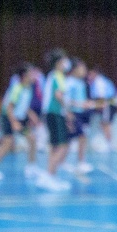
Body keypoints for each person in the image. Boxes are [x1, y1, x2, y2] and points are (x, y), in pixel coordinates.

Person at [0, 61, 42, 183]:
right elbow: (9, 107)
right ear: (25, 76)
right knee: (8, 142)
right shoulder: (17, 89)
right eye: (32, 73)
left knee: (32, 139)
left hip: (20, 119)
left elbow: (24, 106)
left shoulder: (28, 88)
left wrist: (32, 115)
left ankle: (31, 167)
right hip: (8, 117)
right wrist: (14, 122)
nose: (34, 76)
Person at [37, 49, 76, 191]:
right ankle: (48, 175)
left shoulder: (55, 75)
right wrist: (68, 111)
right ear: (59, 62)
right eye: (65, 60)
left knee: (55, 146)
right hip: (55, 113)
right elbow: (59, 95)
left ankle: (50, 176)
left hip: (52, 114)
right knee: (62, 146)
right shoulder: (57, 76)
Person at [67, 58, 98, 175]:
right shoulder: (70, 82)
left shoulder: (82, 83)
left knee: (81, 136)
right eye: (82, 68)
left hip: (81, 113)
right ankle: (77, 161)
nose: (84, 71)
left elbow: (83, 99)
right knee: (78, 137)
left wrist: (88, 103)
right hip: (73, 113)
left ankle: (80, 161)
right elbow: (67, 100)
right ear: (75, 69)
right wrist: (79, 105)